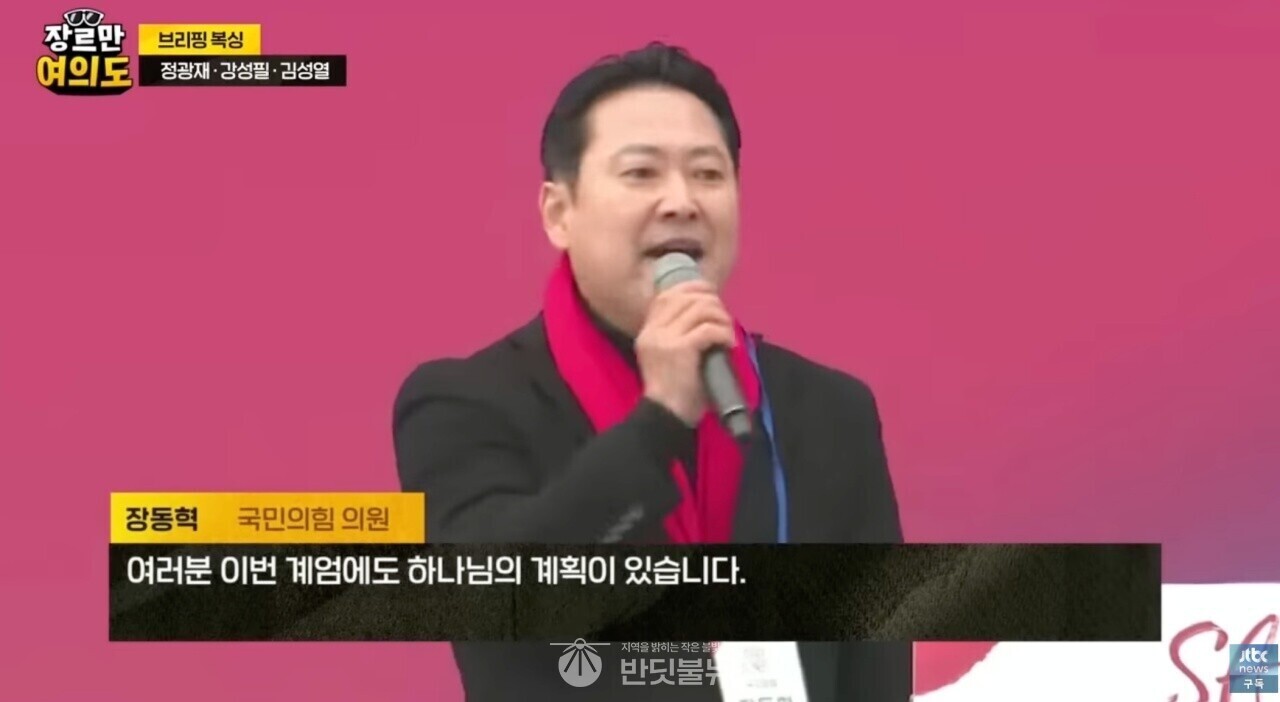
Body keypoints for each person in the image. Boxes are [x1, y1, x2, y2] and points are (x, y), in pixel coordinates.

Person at [393, 42, 911, 701]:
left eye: (708, 174)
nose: (681, 201)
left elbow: (876, 667)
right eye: (641, 173)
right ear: (558, 213)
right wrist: (660, 419)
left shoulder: (829, 410)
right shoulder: (465, 404)